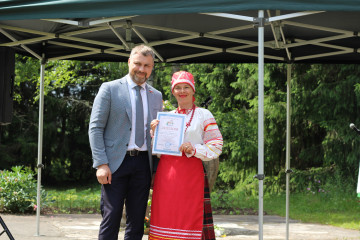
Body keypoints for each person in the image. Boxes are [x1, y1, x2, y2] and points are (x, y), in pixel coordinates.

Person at [88, 44, 163, 240]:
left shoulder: (156, 96)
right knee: (111, 218)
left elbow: (157, 135)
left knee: (137, 221)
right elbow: (95, 128)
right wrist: (101, 164)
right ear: (129, 62)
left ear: (152, 67)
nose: (141, 69)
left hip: (143, 165)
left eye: (147, 65)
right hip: (114, 164)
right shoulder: (110, 89)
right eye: (138, 63)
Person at [149, 71, 223, 240]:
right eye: (178, 88)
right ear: (173, 92)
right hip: (166, 175)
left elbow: (216, 145)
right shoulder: (167, 117)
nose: (182, 91)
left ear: (193, 90)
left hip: (191, 174)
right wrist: (155, 133)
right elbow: (158, 152)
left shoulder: (204, 115)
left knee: (190, 217)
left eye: (186, 87)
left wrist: (194, 149)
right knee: (165, 217)